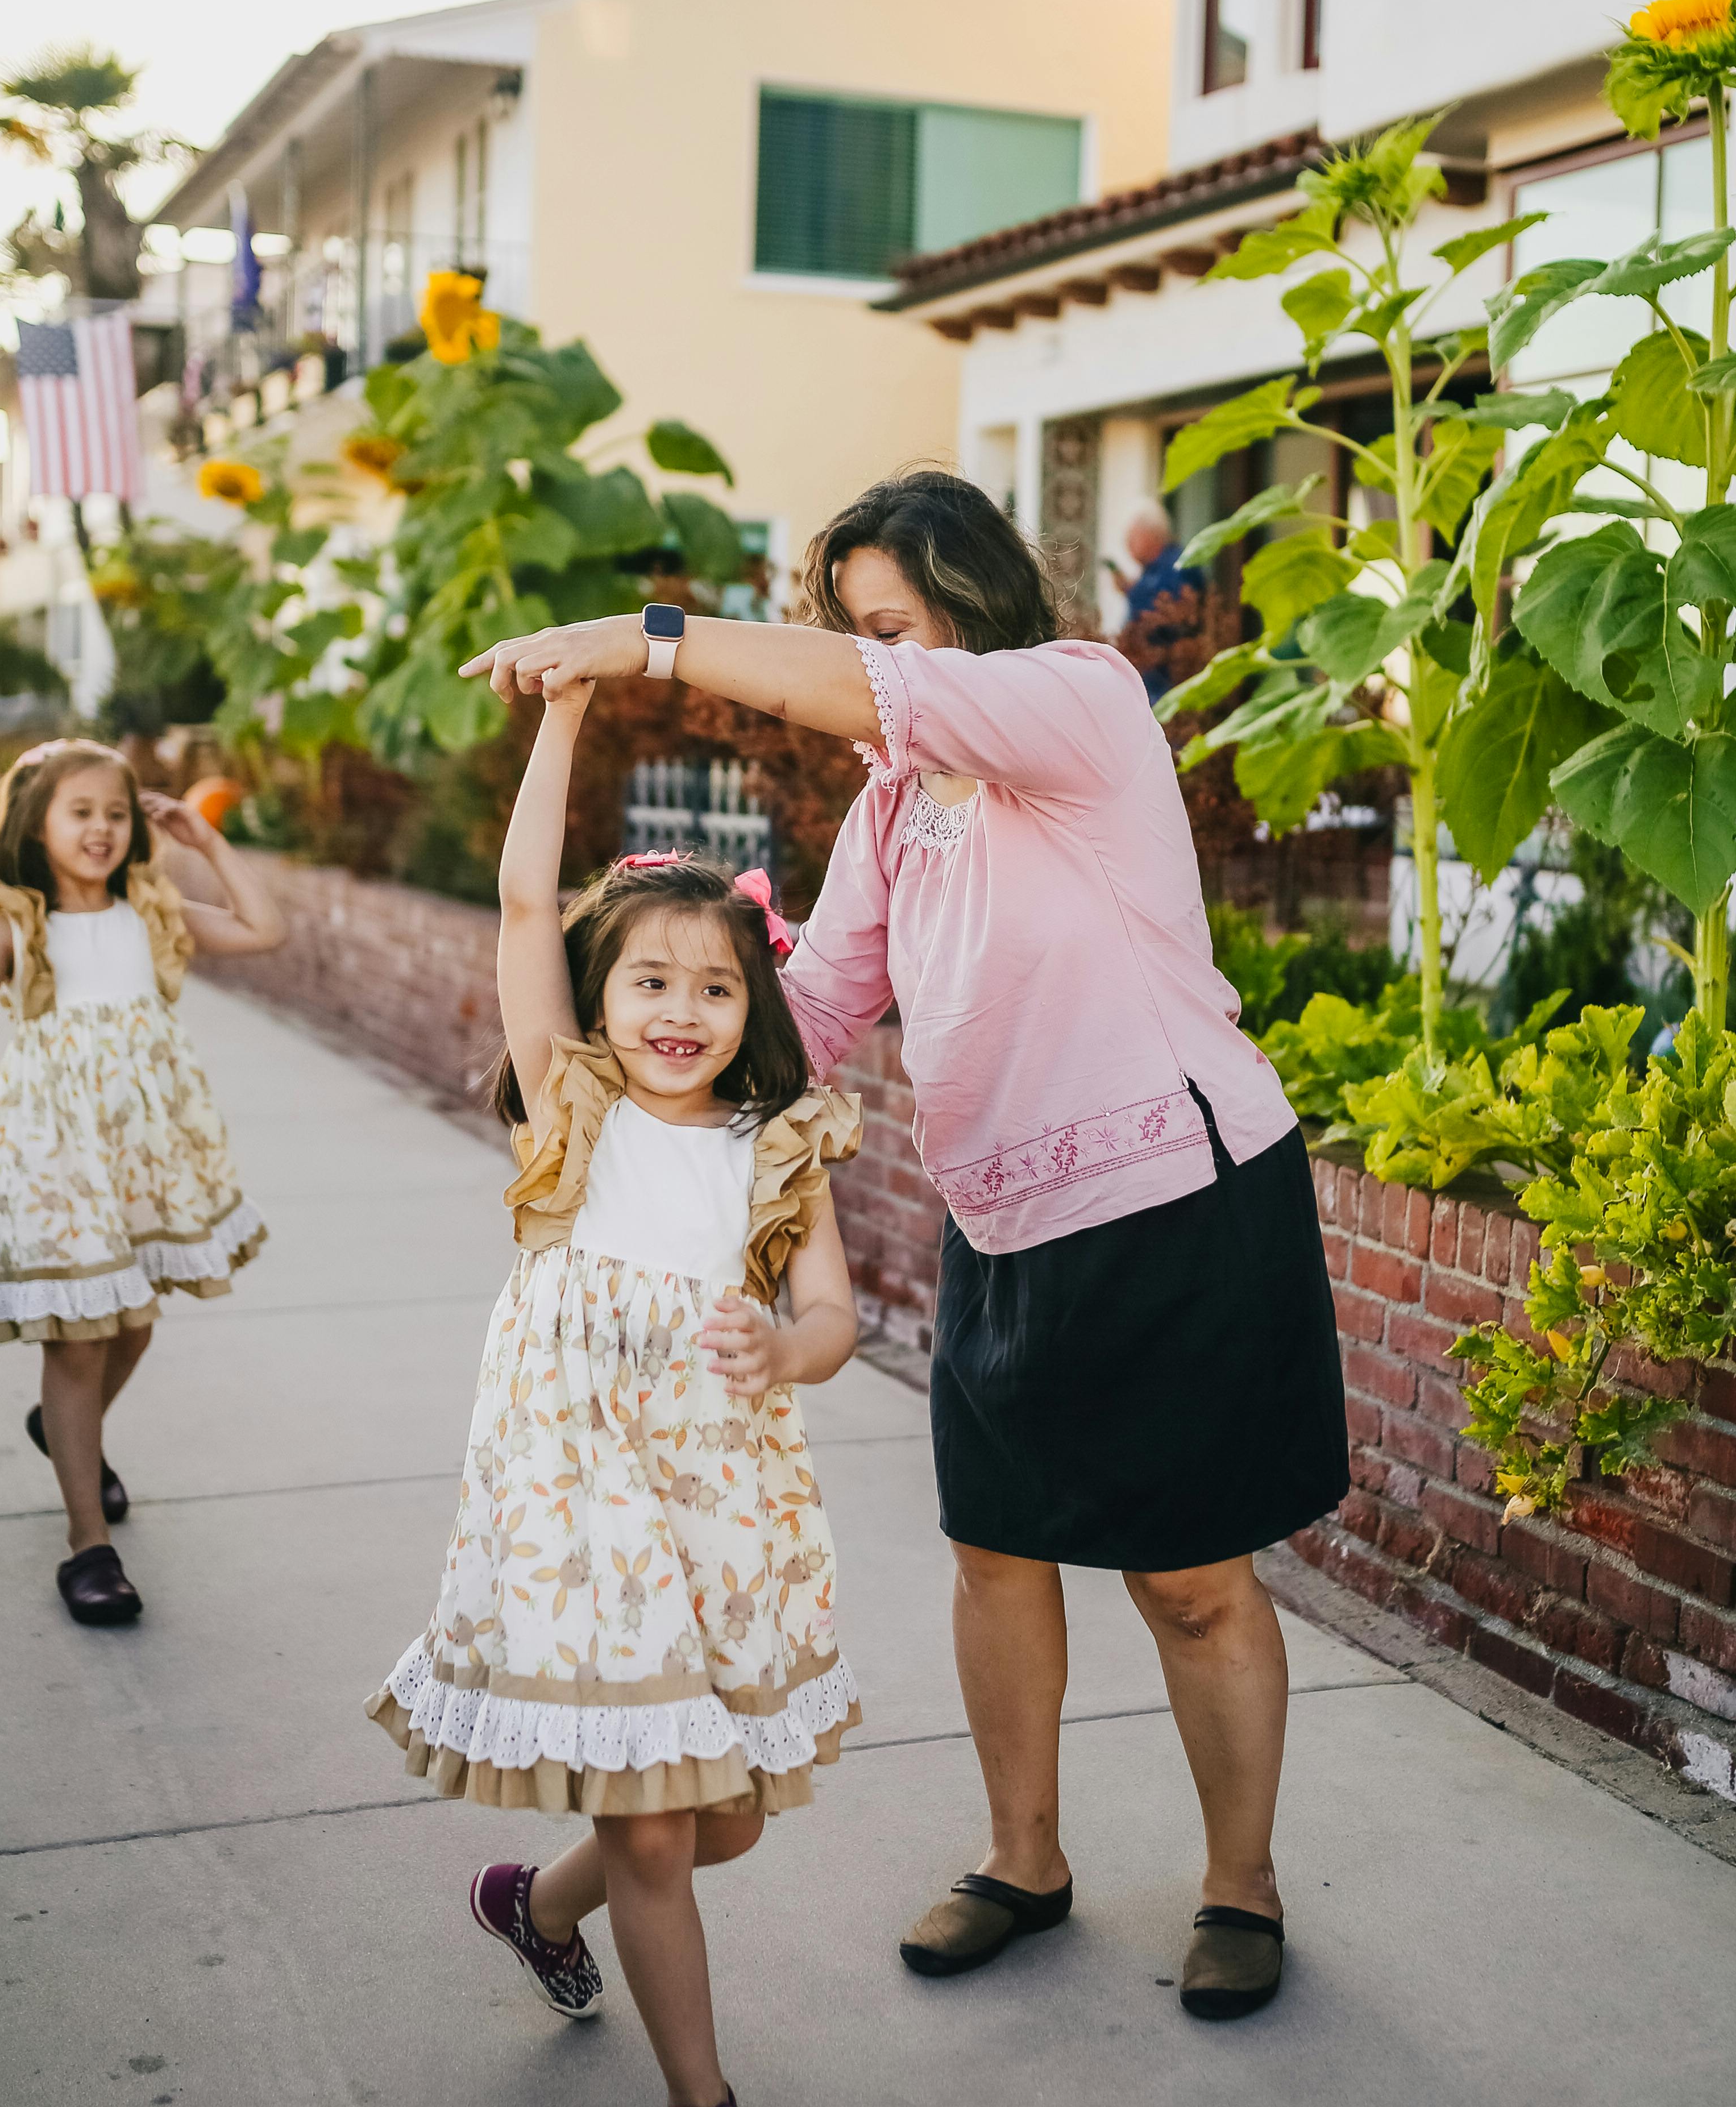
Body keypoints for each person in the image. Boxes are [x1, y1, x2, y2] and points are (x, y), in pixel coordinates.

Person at [459, 467, 1348, 2024]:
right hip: (1003, 1225)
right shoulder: (892, 812)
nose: (866, 663)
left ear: (972, 607)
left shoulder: (1079, 708)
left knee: (1190, 1580)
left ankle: (1241, 1887)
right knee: (996, 1555)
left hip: (1178, 1202)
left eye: (891, 628)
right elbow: (808, 1018)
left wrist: (646, 642)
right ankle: (1026, 1862)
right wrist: (628, 1085)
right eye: (856, 627)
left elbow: (858, 693)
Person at [367, 678, 862, 2107]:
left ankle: (539, 1904)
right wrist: (567, 710)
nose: (677, 1011)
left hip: (719, 1492)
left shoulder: (778, 1141)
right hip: (580, 1508)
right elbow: (524, 896)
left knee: (720, 1820)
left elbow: (838, 1312)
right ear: (601, 992)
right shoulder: (566, 1110)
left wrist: (787, 1352)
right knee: (660, 1820)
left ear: (750, 1011)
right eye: (648, 979)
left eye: (712, 990)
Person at [0, 740, 284, 1628]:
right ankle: (88, 1545)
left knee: (135, 1322)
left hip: (146, 1153)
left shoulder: (152, 910)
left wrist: (208, 841)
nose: (103, 829)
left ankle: (62, 1430)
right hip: (53, 1159)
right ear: (37, 825)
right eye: (80, 812)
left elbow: (266, 929)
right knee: (75, 1340)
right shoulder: (16, 922)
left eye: (115, 814)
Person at [1104, 502, 1205, 706]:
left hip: (1168, 678)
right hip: (1152, 677)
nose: (1127, 544)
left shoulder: (1177, 566)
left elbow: (1165, 618)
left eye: (1132, 537)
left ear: (1152, 535)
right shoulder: (1152, 570)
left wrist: (1133, 593)